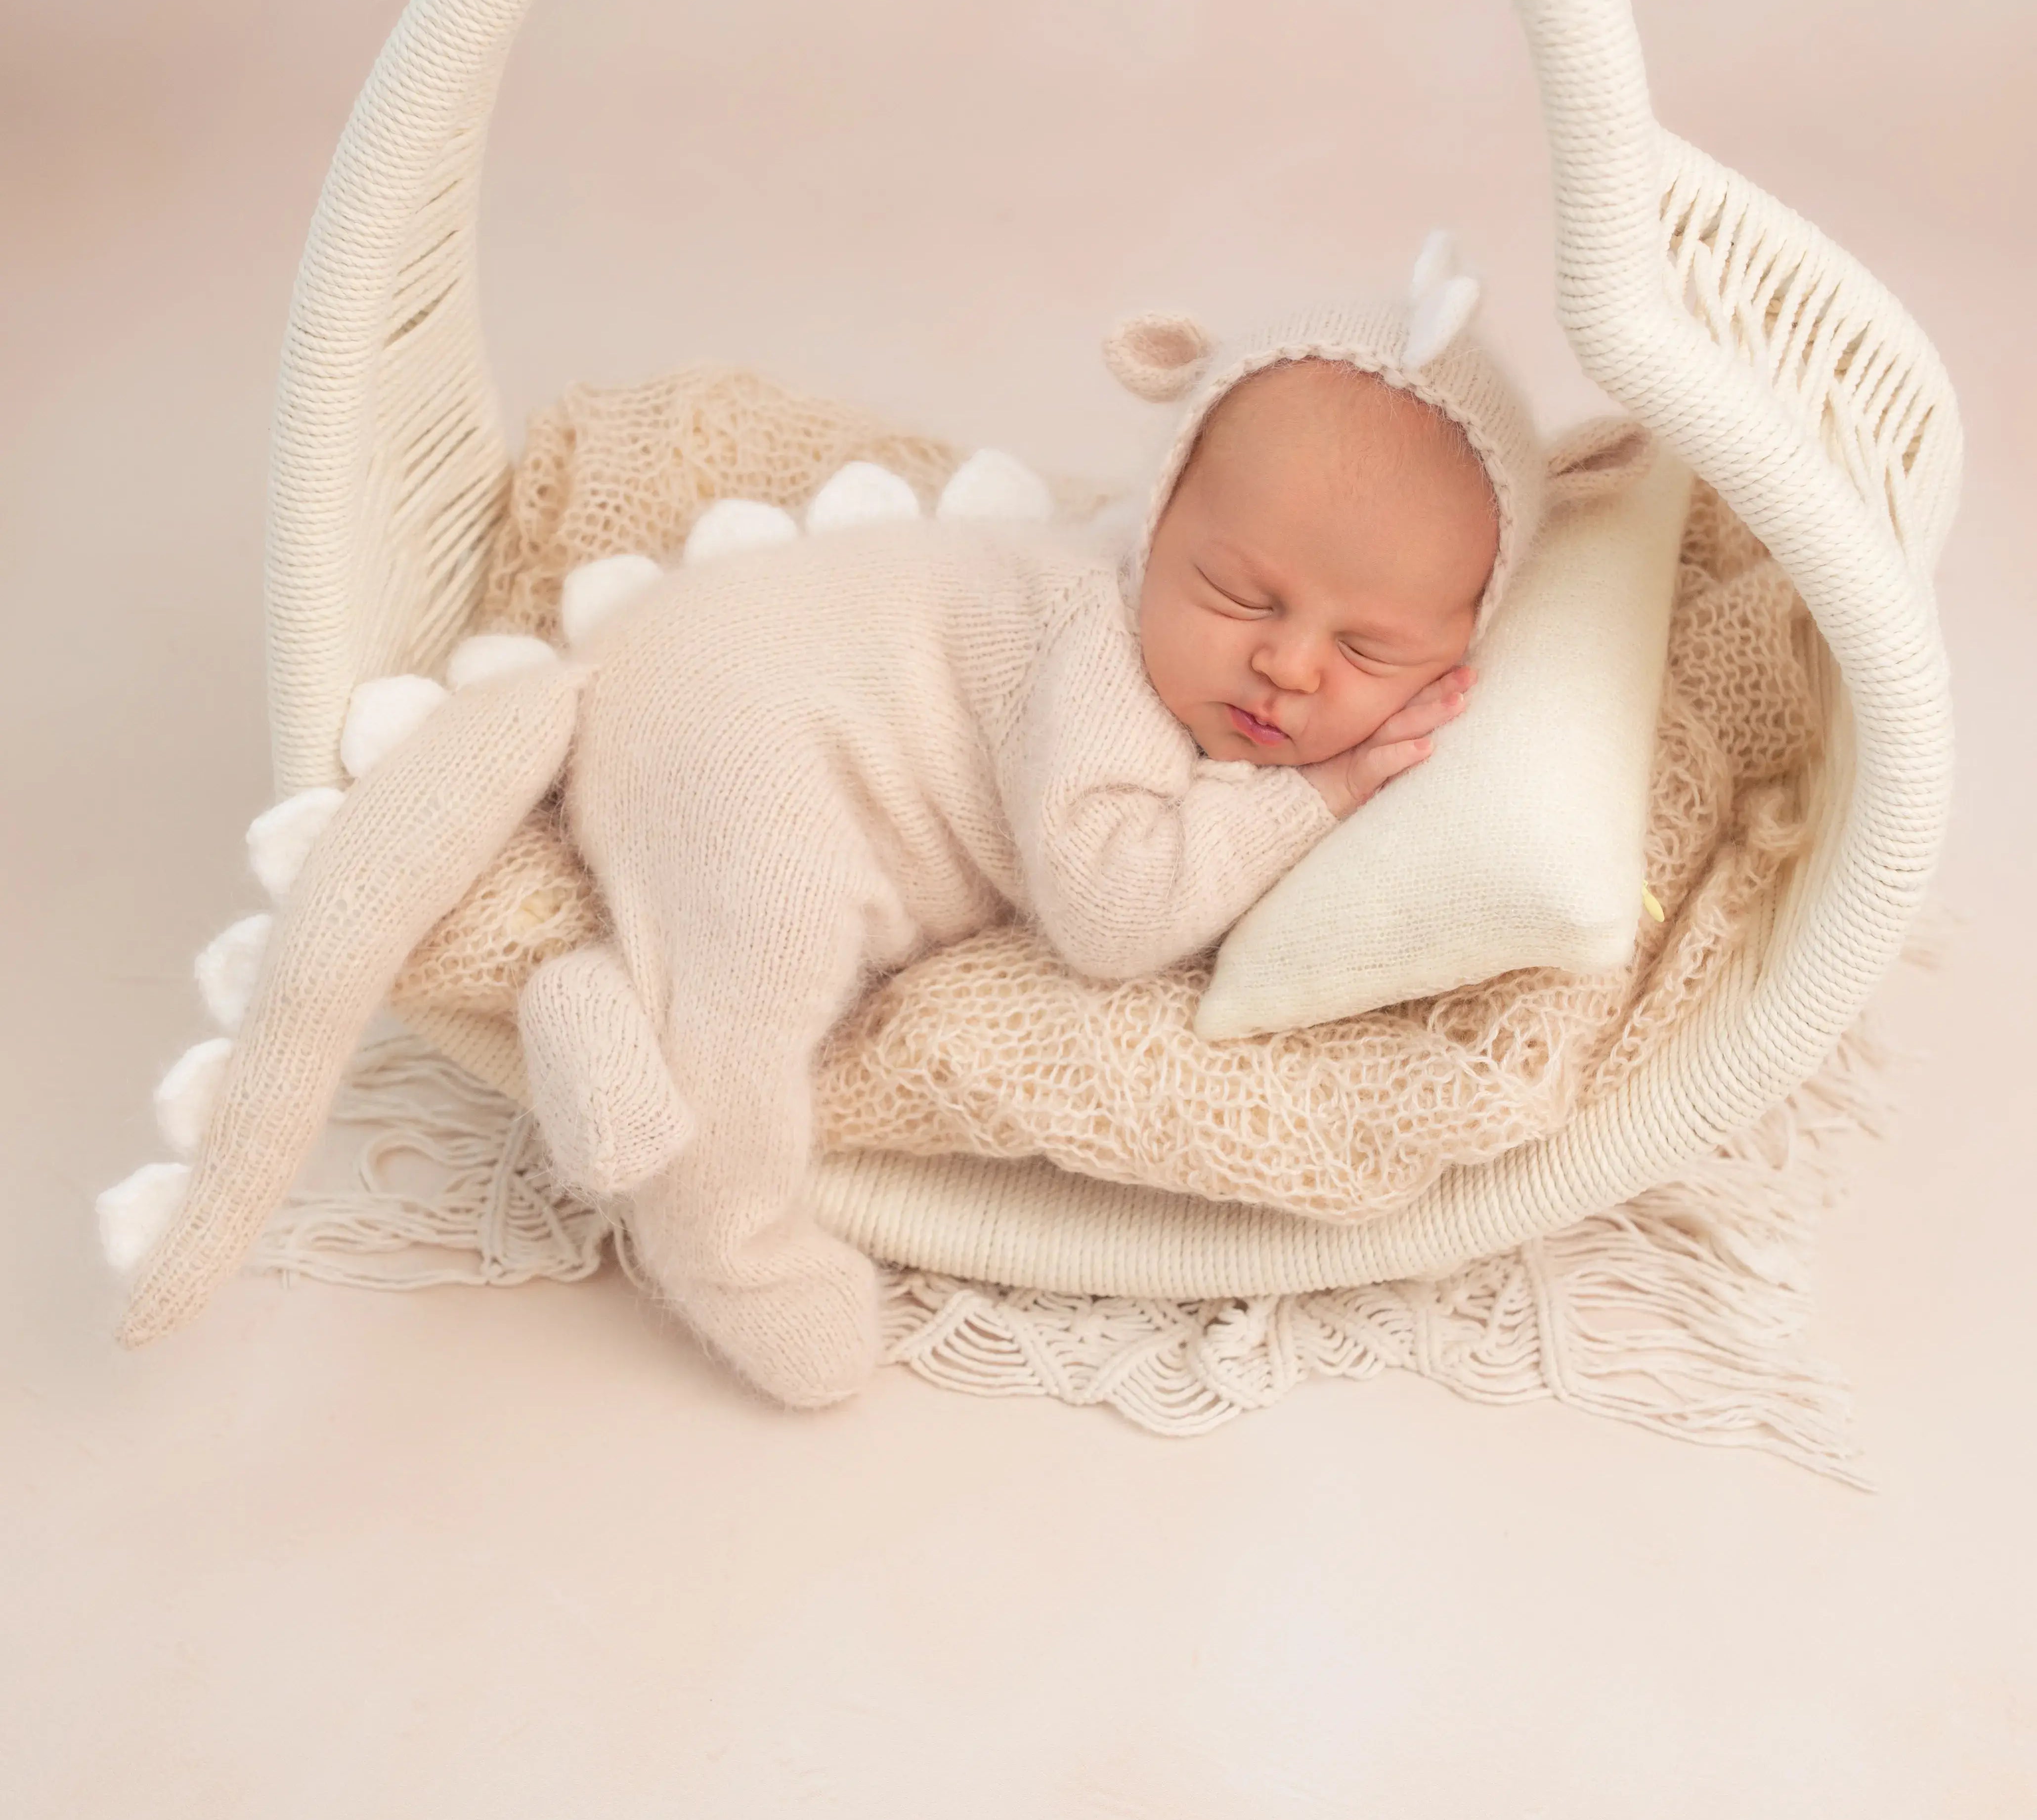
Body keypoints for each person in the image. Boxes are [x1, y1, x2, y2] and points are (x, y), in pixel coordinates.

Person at [115, 253, 1568, 1410]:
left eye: (1369, 650)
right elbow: (1113, 914)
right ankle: (727, 1242)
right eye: (1241, 596)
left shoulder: (1222, 660)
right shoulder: (1097, 647)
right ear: (1158, 514)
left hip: (712, 689)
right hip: (760, 725)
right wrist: (1311, 797)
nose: (1289, 669)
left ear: (1460, 650)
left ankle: (599, 1000)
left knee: (724, 957)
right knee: (759, 982)